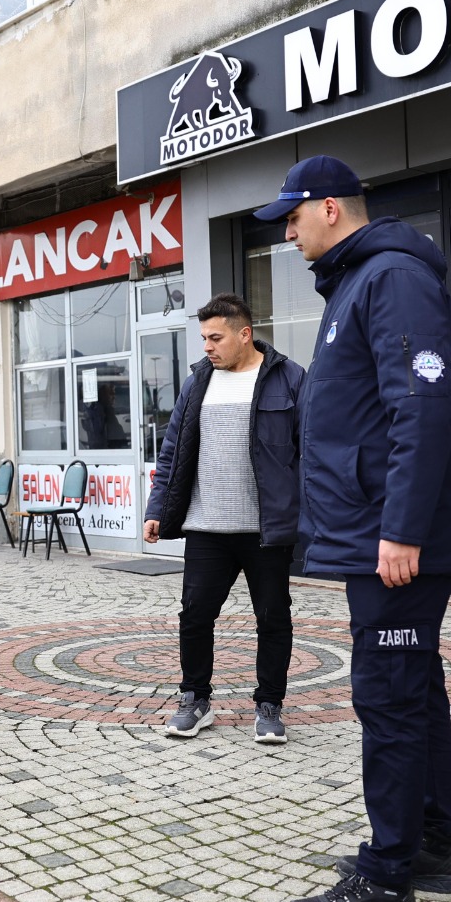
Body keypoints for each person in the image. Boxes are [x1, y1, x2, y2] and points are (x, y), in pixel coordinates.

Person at [259, 156, 451, 902]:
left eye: (293, 216)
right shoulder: (356, 282)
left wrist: (401, 528)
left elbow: (421, 403)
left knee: (386, 694)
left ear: (330, 209)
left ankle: (387, 880)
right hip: (376, 533)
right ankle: (429, 843)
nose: (286, 231)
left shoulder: (390, 278)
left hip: (393, 540)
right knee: (413, 685)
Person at [142, 294, 303, 744]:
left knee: (273, 618)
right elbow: (172, 452)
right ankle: (195, 699)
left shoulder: (288, 378)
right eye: (204, 338)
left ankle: (269, 705)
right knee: (194, 617)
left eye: (216, 338)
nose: (208, 346)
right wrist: (157, 509)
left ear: (244, 334)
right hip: (207, 528)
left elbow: (307, 452)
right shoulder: (197, 383)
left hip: (265, 530)